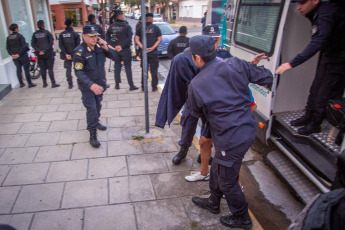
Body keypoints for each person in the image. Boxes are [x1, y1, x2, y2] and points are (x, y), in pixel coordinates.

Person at [187, 35, 272, 229]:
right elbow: (266, 77)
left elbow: (196, 112)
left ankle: (242, 217)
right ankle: (213, 202)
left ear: (198, 58)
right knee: (219, 166)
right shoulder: (235, 64)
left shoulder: (196, 85)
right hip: (246, 129)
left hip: (231, 137)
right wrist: (250, 69)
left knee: (228, 179)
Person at [275, 0, 345, 136]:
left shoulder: (326, 13)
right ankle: (308, 116)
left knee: (323, 93)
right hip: (329, 54)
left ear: (314, 1)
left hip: (339, 59)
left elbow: (319, 40)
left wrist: (291, 63)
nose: (299, 7)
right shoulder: (316, 11)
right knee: (315, 88)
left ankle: (315, 124)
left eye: (302, 3)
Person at [73, 25, 116, 148]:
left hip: (100, 84)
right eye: (91, 36)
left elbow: (115, 57)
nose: (94, 38)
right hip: (87, 86)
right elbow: (78, 72)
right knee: (91, 108)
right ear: (84, 36)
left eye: (96, 36)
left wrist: (105, 46)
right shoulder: (79, 51)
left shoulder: (99, 48)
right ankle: (92, 135)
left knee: (98, 105)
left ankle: (96, 121)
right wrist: (91, 85)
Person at [106, 9, 138, 91]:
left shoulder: (111, 27)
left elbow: (108, 39)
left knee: (117, 67)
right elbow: (129, 38)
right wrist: (122, 46)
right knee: (128, 68)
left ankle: (117, 84)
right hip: (125, 50)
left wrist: (115, 46)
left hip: (116, 50)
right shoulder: (126, 26)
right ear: (120, 16)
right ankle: (131, 85)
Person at [135, 12, 162, 92]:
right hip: (153, 53)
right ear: (151, 19)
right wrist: (152, 48)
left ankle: (143, 86)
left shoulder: (140, 28)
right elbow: (159, 39)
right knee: (154, 70)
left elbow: (136, 39)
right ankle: (154, 86)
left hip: (144, 53)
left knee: (144, 69)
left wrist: (144, 48)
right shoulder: (156, 28)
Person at [6, 23, 37, 88]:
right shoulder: (20, 36)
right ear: (16, 29)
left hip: (15, 57)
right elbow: (23, 46)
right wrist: (18, 54)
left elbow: (7, 47)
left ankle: (21, 83)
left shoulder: (8, 37)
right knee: (26, 69)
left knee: (18, 70)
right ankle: (29, 83)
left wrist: (12, 54)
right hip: (22, 56)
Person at [31, 20, 59, 88]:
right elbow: (51, 43)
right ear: (43, 25)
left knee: (42, 69)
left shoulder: (35, 34)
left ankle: (44, 83)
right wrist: (45, 50)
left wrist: (39, 51)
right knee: (50, 69)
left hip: (40, 55)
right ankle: (53, 83)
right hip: (48, 53)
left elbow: (33, 44)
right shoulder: (47, 33)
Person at [59, 18, 81, 89]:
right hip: (75, 55)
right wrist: (72, 54)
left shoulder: (62, 34)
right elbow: (78, 46)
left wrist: (66, 54)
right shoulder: (75, 34)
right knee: (78, 69)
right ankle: (79, 84)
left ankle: (70, 84)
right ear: (71, 24)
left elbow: (61, 45)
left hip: (66, 55)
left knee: (68, 70)